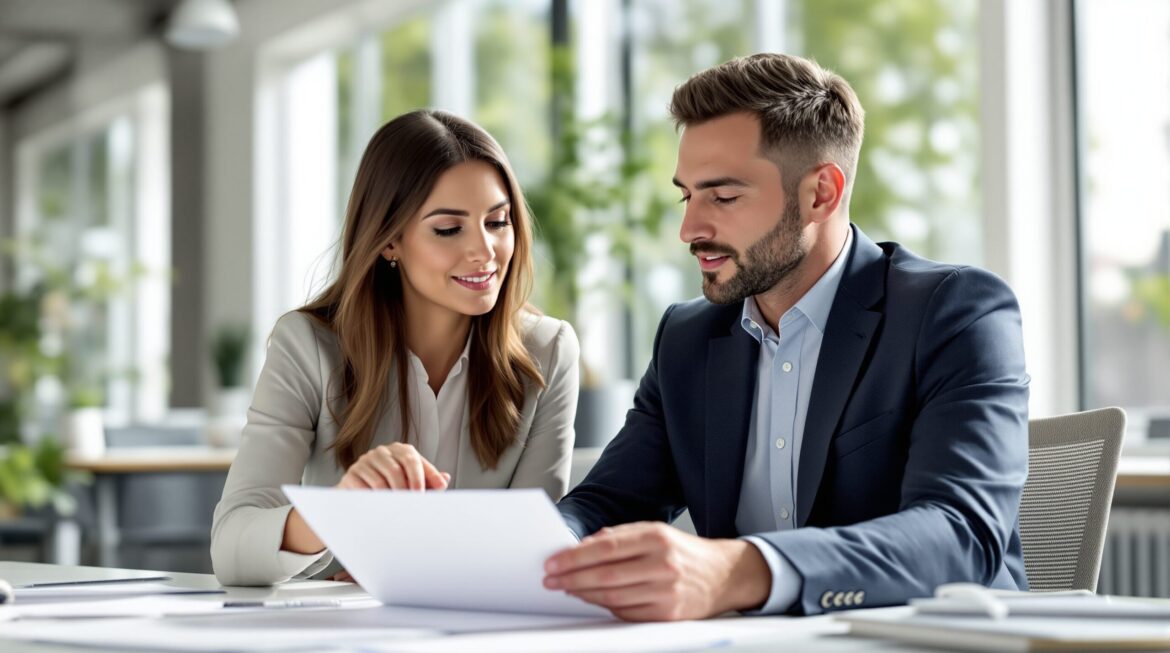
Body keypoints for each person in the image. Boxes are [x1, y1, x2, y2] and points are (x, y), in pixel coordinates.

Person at [544, 53, 1029, 621]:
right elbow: (607, 503)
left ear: (820, 193)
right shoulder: (687, 338)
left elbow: (959, 535)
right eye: (687, 195)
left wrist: (741, 569)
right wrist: (532, 548)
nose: (690, 229)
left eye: (722, 197)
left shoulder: (954, 313)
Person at [212, 110, 580, 586]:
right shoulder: (307, 346)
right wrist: (338, 513)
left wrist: (405, 566)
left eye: (498, 221)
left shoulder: (548, 352)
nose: (485, 250)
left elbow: (534, 548)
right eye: (449, 229)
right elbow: (231, 549)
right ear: (389, 241)